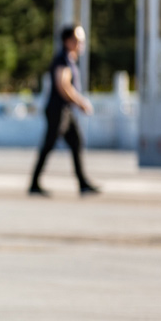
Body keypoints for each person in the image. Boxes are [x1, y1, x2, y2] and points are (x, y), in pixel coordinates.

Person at [29, 25, 99, 196]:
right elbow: (63, 85)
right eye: (78, 40)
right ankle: (34, 184)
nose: (81, 43)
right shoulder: (63, 60)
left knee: (76, 142)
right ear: (68, 41)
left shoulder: (68, 59)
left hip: (65, 110)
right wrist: (80, 102)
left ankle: (82, 182)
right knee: (49, 145)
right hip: (58, 110)